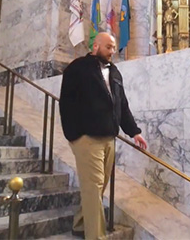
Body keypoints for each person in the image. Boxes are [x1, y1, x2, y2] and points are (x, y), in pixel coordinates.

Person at [59, 32, 147, 239]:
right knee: (93, 187)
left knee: (98, 188)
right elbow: (66, 103)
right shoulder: (77, 68)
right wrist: (74, 134)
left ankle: (80, 224)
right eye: (108, 47)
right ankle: (95, 235)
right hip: (86, 138)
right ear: (96, 46)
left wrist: (134, 132)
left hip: (109, 137)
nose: (112, 52)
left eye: (114, 47)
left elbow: (122, 106)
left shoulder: (115, 72)